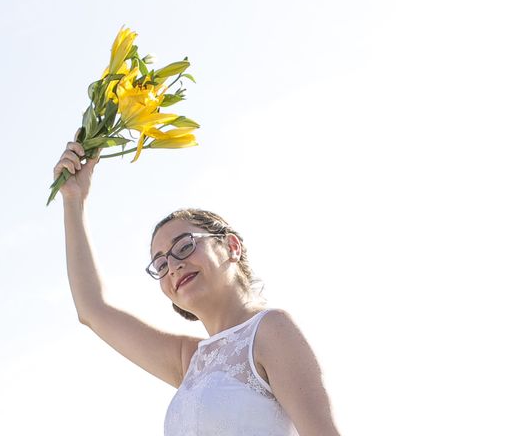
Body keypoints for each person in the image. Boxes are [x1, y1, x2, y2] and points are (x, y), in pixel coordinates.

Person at [53, 133, 342, 436]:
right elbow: (92, 310)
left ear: (231, 246)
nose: (174, 265)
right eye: (161, 263)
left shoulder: (271, 329)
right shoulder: (188, 361)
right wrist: (74, 201)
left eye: (185, 245)